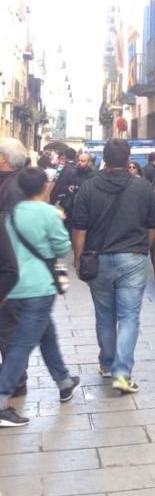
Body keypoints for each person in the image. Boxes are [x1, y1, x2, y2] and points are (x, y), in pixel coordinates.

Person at [71, 138, 155, 394]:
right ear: (128, 158)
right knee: (129, 316)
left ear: (105, 160)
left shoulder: (88, 187)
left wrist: (79, 258)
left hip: (97, 259)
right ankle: (122, 373)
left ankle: (107, 364)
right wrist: (143, 249)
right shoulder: (143, 187)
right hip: (132, 257)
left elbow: (79, 227)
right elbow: (152, 224)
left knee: (104, 315)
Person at [0, 168, 79, 427]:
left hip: (13, 287)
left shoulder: (11, 214)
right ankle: (1, 402)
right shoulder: (47, 212)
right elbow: (62, 246)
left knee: (47, 334)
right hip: (39, 287)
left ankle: (64, 382)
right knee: (22, 345)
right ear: (44, 186)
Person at [0, 138, 29, 398]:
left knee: (9, 327)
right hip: (12, 269)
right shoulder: (13, 183)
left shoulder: (11, 188)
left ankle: (16, 380)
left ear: (3, 159)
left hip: (10, 271)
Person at [50, 151, 94, 229]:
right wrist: (68, 188)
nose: (79, 163)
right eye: (79, 160)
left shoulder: (93, 175)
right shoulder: (73, 172)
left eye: (83, 161)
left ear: (89, 162)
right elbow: (63, 185)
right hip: (70, 208)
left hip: (84, 209)